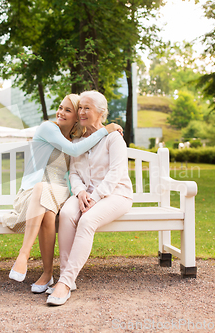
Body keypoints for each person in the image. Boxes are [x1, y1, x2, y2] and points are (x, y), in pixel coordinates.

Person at [2, 94, 123, 294]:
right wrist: (106, 130)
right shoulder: (48, 128)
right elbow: (73, 151)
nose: (60, 112)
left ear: (77, 117)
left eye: (68, 110)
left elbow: (78, 155)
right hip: (32, 192)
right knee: (45, 201)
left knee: (46, 195)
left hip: (59, 192)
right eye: (60, 107)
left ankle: (36, 264)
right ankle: (40, 268)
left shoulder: (76, 139)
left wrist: (105, 131)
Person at [46, 91, 133, 306]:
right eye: (80, 107)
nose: (82, 112)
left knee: (86, 220)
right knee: (66, 213)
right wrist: (80, 192)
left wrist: (94, 197)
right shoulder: (79, 141)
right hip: (87, 195)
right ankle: (67, 276)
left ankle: (65, 283)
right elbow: (74, 173)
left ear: (101, 113)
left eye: (87, 108)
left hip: (116, 194)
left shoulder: (114, 138)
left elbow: (115, 173)